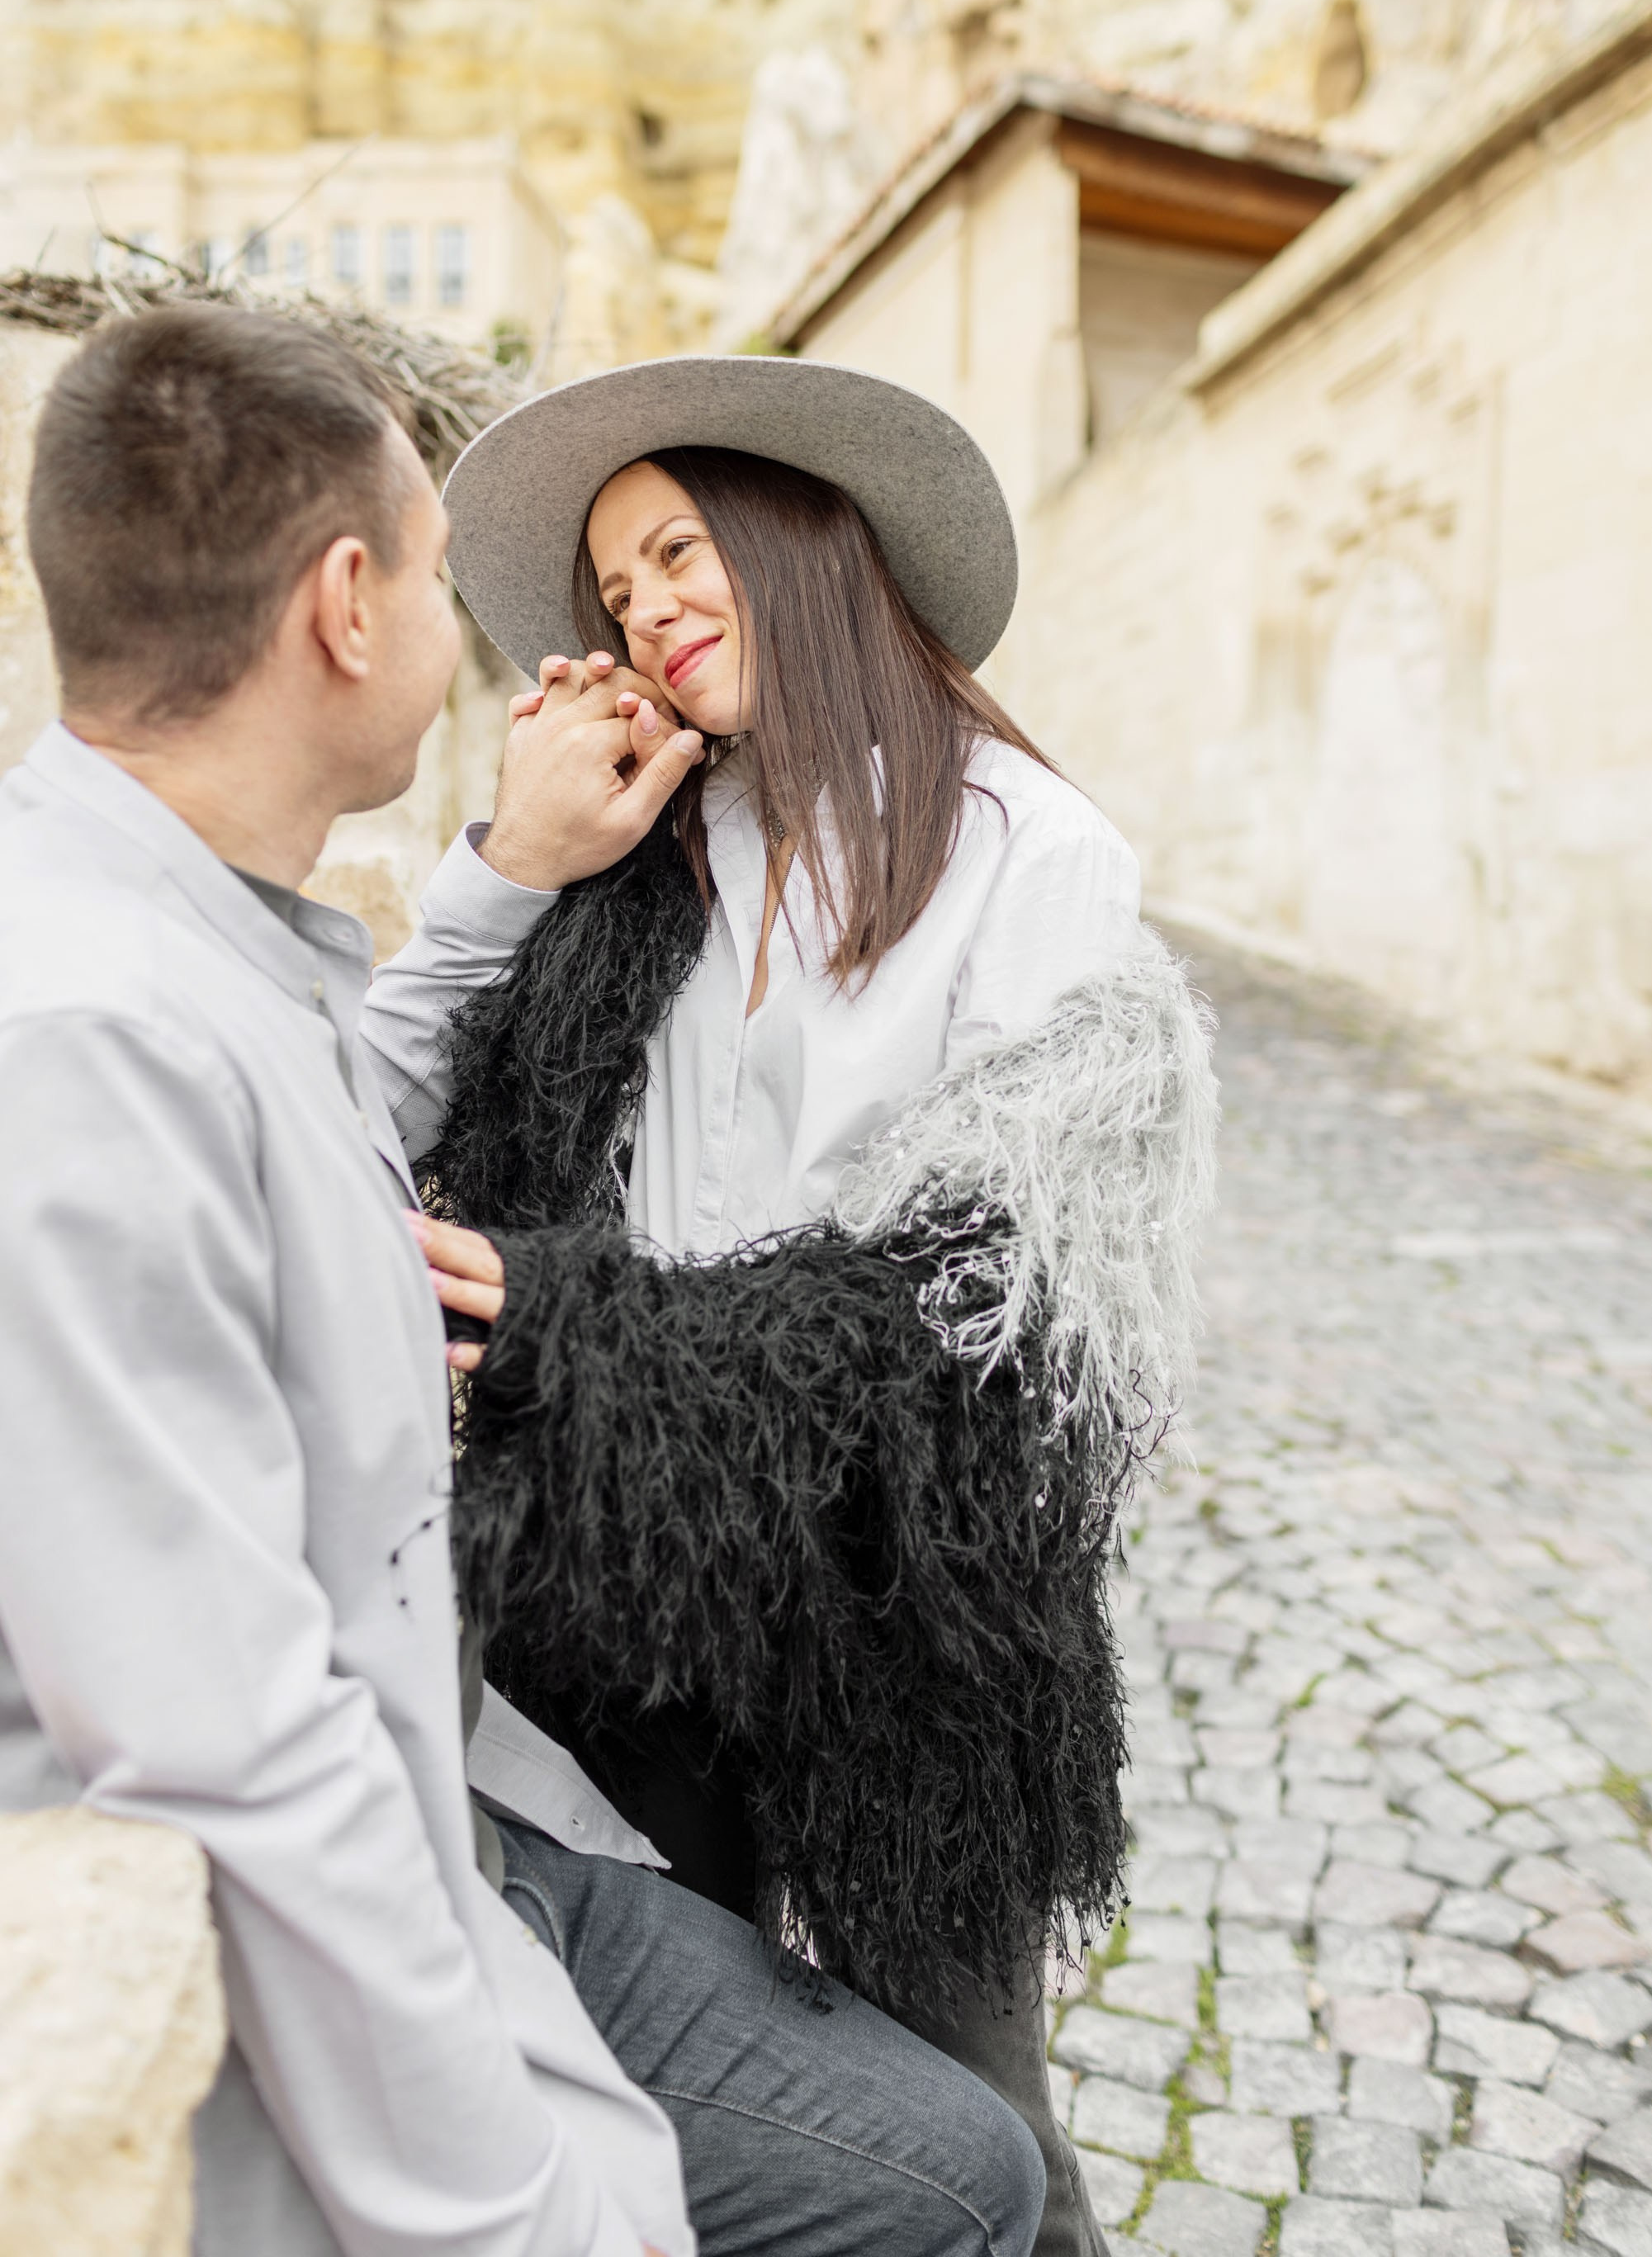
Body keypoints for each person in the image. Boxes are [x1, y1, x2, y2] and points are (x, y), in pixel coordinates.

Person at [0, 305, 1047, 2257]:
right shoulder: (87, 1036)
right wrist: (527, 2213)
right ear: (341, 608)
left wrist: (503, 873)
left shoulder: (208, 952)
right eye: (431, 576)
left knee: (979, 2147)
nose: (573, 627)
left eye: (677, 555)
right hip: (373, 1902)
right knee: (951, 2178)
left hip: (577, 1767)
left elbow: (337, 1131)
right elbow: (229, 1748)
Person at [391, 355, 1220, 2257]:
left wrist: (578, 1331)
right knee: (739, 2143)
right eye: (616, 593)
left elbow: (972, 1320)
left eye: (678, 549)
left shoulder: (1029, 856)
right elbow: (399, 1110)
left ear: (803, 536)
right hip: (635, 1603)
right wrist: (521, 861)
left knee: (979, 2126)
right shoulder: (650, 851)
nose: (650, 609)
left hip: (898, 1630)